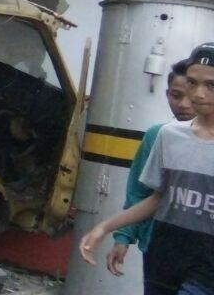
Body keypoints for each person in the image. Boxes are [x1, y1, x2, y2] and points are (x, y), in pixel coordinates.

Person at [80, 43, 214, 295]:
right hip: (163, 257)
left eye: (211, 86)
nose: (198, 94)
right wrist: (105, 227)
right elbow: (157, 197)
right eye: (193, 83)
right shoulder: (168, 135)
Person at [106, 61, 196, 277]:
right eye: (176, 95)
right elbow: (140, 192)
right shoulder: (158, 136)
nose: (183, 104)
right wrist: (123, 236)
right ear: (167, 94)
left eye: (192, 98)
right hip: (159, 246)